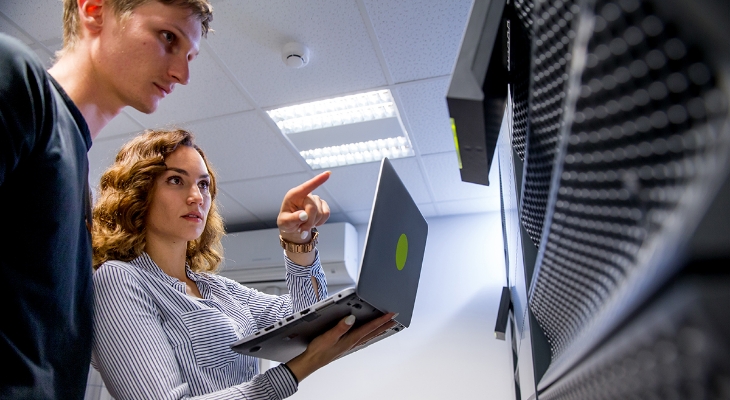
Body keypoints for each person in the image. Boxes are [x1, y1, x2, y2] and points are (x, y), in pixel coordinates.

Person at [0, 0, 211, 397]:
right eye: (168, 37)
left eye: (190, 56)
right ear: (94, 9)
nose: (182, 74)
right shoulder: (17, 78)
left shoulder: (75, 170)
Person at [90, 128, 396, 399]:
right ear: (137, 193)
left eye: (204, 184)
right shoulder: (120, 280)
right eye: (175, 180)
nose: (197, 197)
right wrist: (298, 370)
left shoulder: (218, 289)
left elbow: (310, 320)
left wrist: (298, 242)